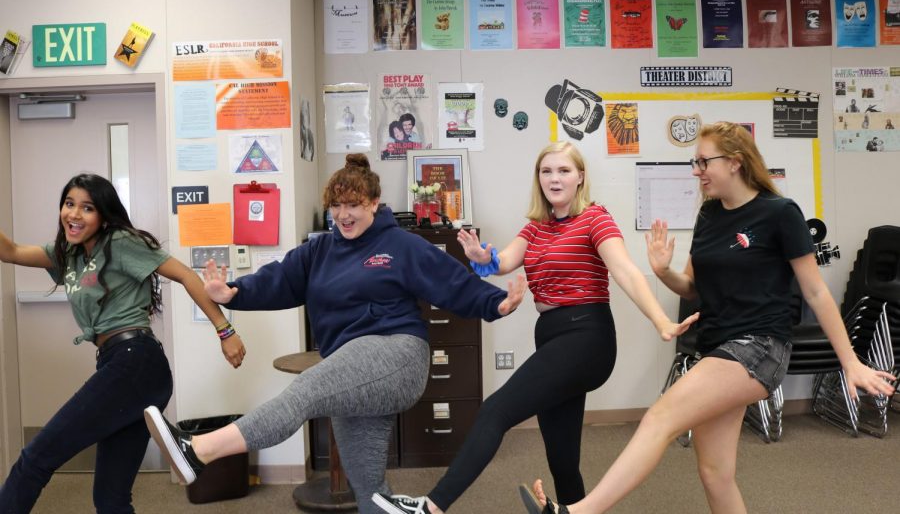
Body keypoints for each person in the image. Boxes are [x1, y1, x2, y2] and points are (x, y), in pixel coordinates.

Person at [522, 122, 896, 514]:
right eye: (694, 161)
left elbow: (816, 291)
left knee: (659, 417)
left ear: (735, 162)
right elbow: (691, 288)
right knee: (715, 473)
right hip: (716, 347)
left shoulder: (779, 213)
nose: (696, 170)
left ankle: (577, 512)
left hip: (760, 346)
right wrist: (664, 271)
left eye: (703, 161)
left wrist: (850, 360)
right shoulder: (709, 216)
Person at [144, 154, 525, 514]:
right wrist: (233, 293)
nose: (344, 215)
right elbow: (279, 280)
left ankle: (197, 451)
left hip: (397, 357)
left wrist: (495, 304)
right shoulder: (319, 251)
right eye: (336, 206)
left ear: (374, 203)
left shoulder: (400, 245)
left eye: (354, 205)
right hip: (351, 369)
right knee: (370, 494)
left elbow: (450, 281)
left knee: (305, 392)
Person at [374, 142, 692, 514]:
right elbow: (505, 260)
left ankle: (431, 507)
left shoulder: (595, 218)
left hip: (586, 337)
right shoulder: (537, 228)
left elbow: (625, 271)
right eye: (547, 171)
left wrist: (661, 320)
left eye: (563, 171)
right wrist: (483, 258)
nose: (554, 178)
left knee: (495, 410)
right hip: (554, 337)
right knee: (561, 457)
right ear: (538, 179)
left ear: (580, 178)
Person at [0, 173, 245, 513]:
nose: (74, 214)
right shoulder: (67, 255)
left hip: (134, 362)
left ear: (103, 215)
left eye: (87, 208)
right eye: (69, 204)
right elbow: (9, 251)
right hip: (125, 367)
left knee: (35, 458)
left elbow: (186, 275)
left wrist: (225, 330)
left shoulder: (119, 242)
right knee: (111, 498)